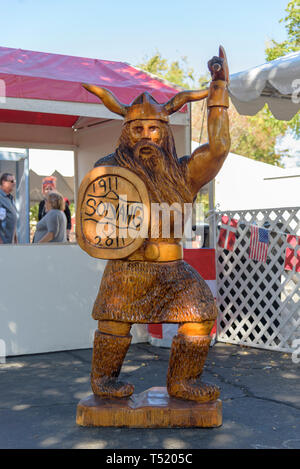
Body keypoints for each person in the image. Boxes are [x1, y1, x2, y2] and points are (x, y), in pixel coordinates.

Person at [81, 47, 230, 402]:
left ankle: (182, 382)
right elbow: (96, 219)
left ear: (166, 133)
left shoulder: (183, 172)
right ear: (126, 132)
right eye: (137, 129)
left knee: (200, 315)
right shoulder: (109, 171)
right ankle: (103, 380)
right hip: (127, 268)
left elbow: (220, 148)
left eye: (153, 129)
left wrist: (218, 94)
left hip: (173, 268)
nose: (146, 136)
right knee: (114, 322)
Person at [38, 176, 72, 241]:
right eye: (46, 188)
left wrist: (67, 236)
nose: (48, 191)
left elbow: (68, 222)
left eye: (50, 188)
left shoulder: (59, 206)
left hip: (52, 242)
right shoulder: (42, 204)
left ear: (55, 189)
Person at [0, 172, 18, 244]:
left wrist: (15, 239)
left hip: (9, 243)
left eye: (15, 181)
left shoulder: (11, 198)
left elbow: (12, 219)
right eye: (12, 181)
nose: (14, 183)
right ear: (4, 182)